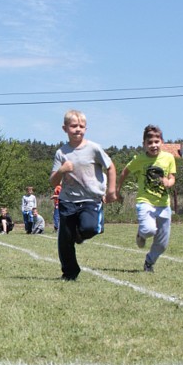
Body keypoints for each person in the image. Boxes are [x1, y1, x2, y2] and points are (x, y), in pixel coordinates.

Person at [50, 109, 117, 281]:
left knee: (89, 228)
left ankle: (79, 234)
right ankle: (70, 273)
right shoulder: (61, 153)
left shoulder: (94, 148)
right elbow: (53, 181)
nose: (78, 129)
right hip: (67, 200)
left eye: (81, 126)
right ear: (65, 128)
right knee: (64, 240)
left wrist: (111, 190)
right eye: (73, 126)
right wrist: (62, 170)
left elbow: (110, 167)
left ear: (86, 128)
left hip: (91, 199)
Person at [116, 124, 176, 273]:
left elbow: (172, 177)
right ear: (144, 144)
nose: (153, 145)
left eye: (157, 142)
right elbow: (124, 172)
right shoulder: (139, 160)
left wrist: (168, 182)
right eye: (150, 143)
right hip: (145, 202)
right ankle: (141, 234)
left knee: (162, 243)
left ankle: (149, 262)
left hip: (163, 204)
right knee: (149, 229)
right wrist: (116, 190)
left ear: (162, 142)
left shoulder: (168, 158)